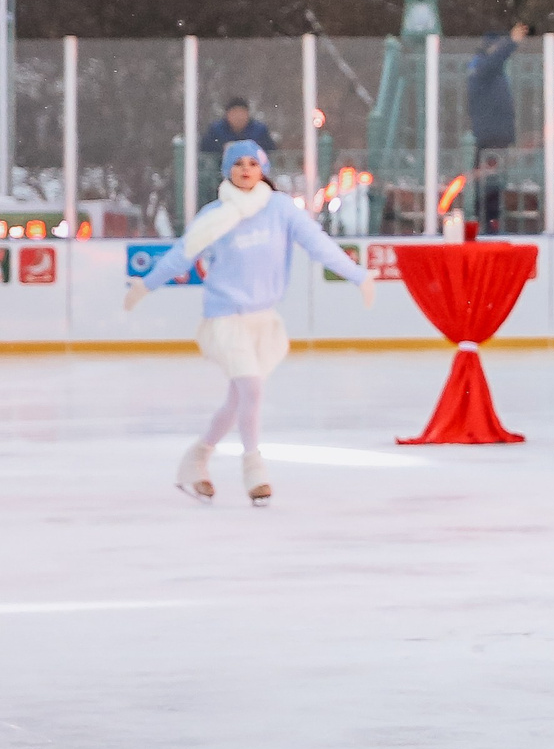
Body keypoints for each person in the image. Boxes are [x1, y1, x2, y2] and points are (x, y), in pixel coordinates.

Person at [123, 140, 376, 504]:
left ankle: (196, 460)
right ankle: (254, 468)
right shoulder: (215, 215)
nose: (245, 169)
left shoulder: (280, 210)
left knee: (236, 400)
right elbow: (181, 256)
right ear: (227, 170)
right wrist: (144, 287)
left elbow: (318, 245)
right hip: (226, 318)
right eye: (238, 163)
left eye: (252, 163)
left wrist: (357, 275)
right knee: (252, 390)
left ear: (263, 169)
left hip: (263, 320)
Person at [467, 25, 529, 231]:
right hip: (490, 135)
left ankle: (488, 218)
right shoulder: (484, 67)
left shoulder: (486, 69)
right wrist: (512, 42)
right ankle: (486, 221)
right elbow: (495, 60)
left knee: (492, 179)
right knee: (489, 180)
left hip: (495, 134)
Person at [198, 98, 276, 157]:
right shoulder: (216, 130)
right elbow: (205, 150)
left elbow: (271, 151)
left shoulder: (260, 130)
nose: (239, 117)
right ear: (227, 114)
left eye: (242, 113)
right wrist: (223, 148)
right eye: (235, 113)